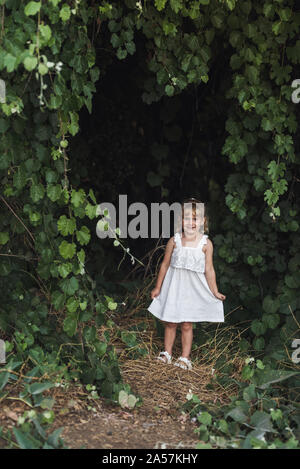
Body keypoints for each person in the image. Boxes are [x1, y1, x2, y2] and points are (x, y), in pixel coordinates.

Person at [147, 198, 226, 370]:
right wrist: (158, 287)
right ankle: (166, 353)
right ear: (181, 221)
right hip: (174, 287)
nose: (191, 222)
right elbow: (165, 265)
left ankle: (184, 357)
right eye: (187, 218)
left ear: (203, 221)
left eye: (195, 219)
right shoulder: (174, 241)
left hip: (192, 290)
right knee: (170, 321)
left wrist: (215, 291)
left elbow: (209, 270)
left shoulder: (206, 244)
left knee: (187, 324)